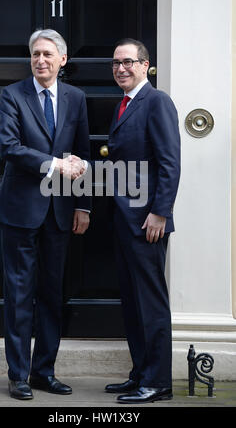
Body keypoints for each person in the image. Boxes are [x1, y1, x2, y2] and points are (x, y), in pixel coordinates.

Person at [0, 29, 91, 400]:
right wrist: (53, 164)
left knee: (52, 295)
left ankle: (43, 372)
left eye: (48, 54)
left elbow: (81, 152)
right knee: (18, 296)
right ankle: (18, 374)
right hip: (20, 213)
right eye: (36, 54)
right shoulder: (12, 96)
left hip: (61, 213)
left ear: (62, 60)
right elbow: (9, 148)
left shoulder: (76, 98)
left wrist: (83, 204)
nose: (41, 60)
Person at [105, 38, 180, 404]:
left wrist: (160, 213)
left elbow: (169, 162)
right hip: (124, 219)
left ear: (146, 65)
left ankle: (158, 382)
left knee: (150, 303)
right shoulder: (122, 106)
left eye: (129, 62)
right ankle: (140, 375)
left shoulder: (157, 101)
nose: (121, 68)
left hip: (148, 220)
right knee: (133, 303)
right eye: (116, 63)